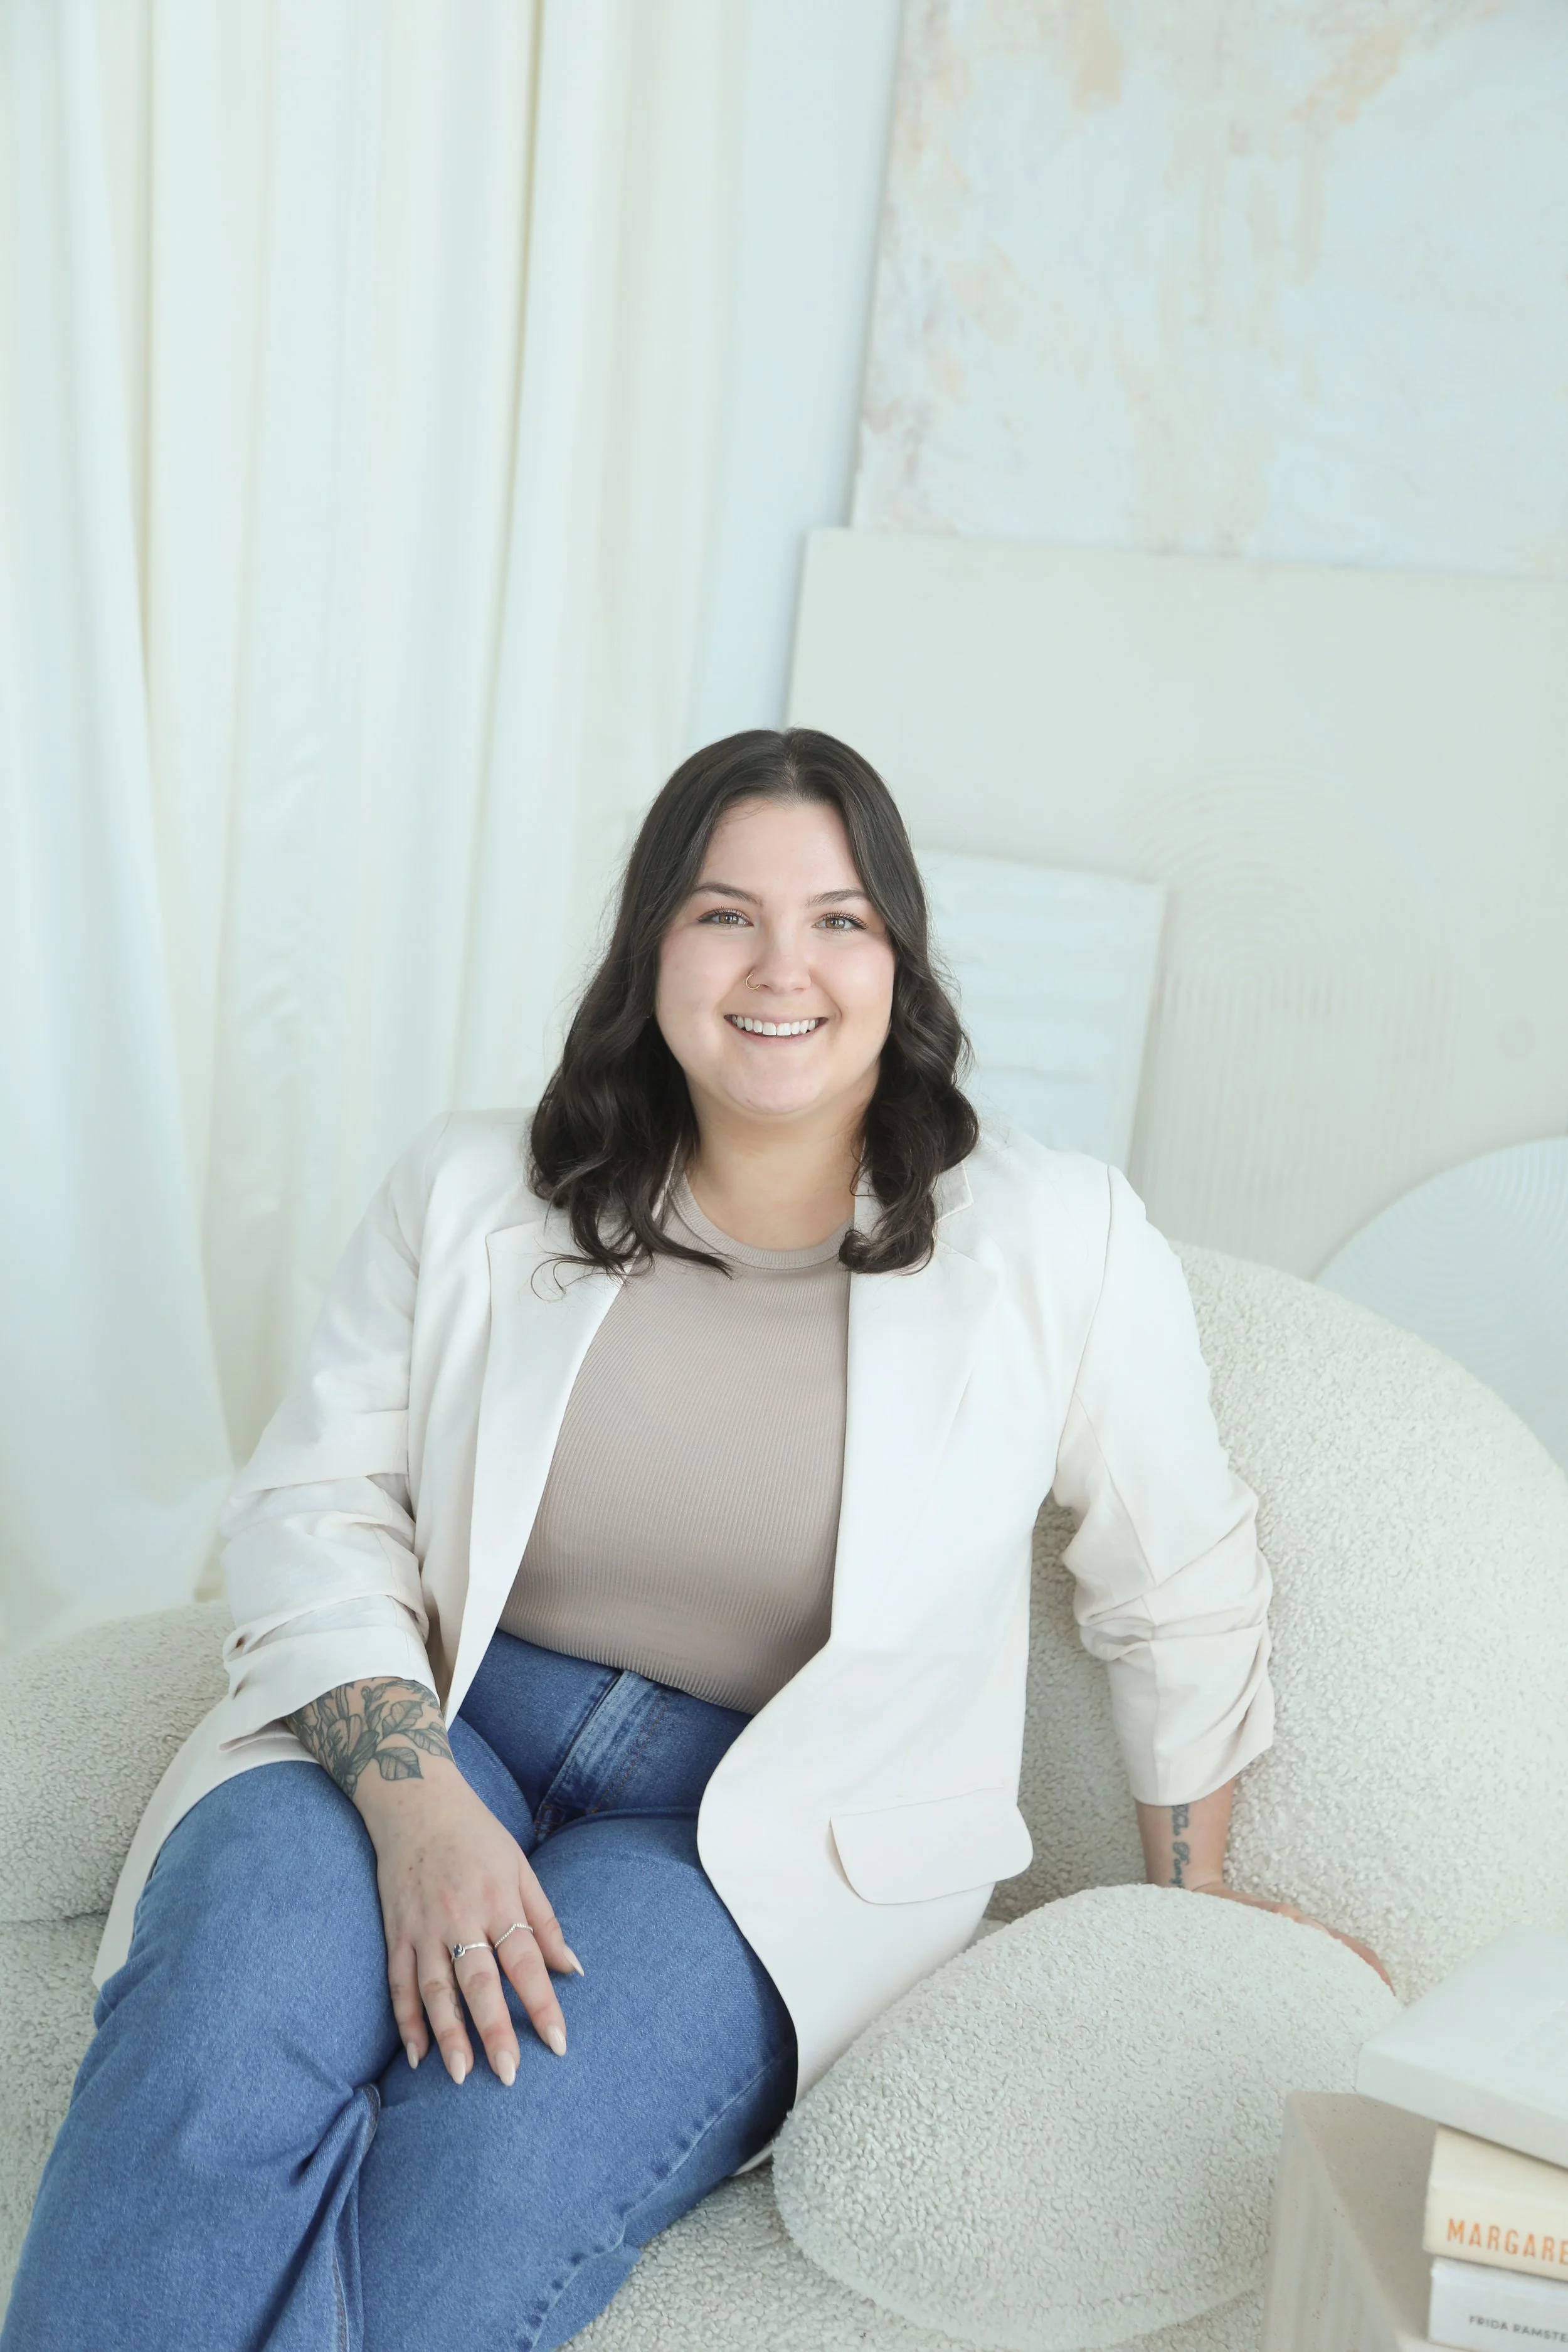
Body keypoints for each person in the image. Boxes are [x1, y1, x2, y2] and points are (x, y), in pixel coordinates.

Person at [1, 728, 1382, 2352]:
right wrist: (417, 1806)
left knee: (486, 2167)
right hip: (435, 1719)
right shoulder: (469, 1189)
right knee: (214, 2050)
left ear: (898, 960)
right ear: (652, 945)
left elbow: (1175, 1568)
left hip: (760, 1827)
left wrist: (1192, 1896)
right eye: (726, 913)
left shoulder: (1056, 1237)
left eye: (838, 919)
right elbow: (315, 1505)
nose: (779, 965)